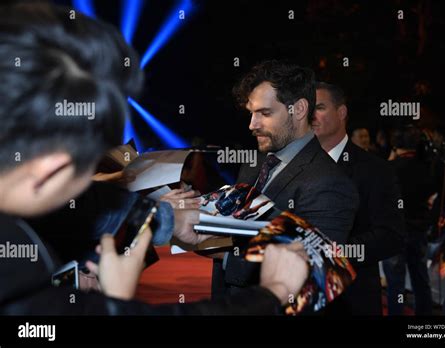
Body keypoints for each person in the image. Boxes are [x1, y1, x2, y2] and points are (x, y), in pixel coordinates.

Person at [0, 3, 309, 315]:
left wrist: (164, 218)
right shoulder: (17, 274)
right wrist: (274, 292)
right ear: (51, 170)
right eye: (89, 171)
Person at [211, 61, 359, 299]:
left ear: (299, 109)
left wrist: (225, 256)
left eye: (265, 113)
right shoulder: (254, 162)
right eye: (251, 113)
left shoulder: (331, 183)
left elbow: (313, 275)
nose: (252, 125)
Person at [312, 82, 405, 315]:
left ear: (341, 113)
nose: (311, 115)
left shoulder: (375, 170)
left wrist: (334, 253)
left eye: (320, 107)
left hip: (353, 299)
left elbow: (391, 234)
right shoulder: (291, 166)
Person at [382, 126, 435, 315]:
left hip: (394, 233)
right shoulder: (425, 167)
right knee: (421, 280)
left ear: (396, 145)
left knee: (395, 285)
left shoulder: (389, 169)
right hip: (418, 230)